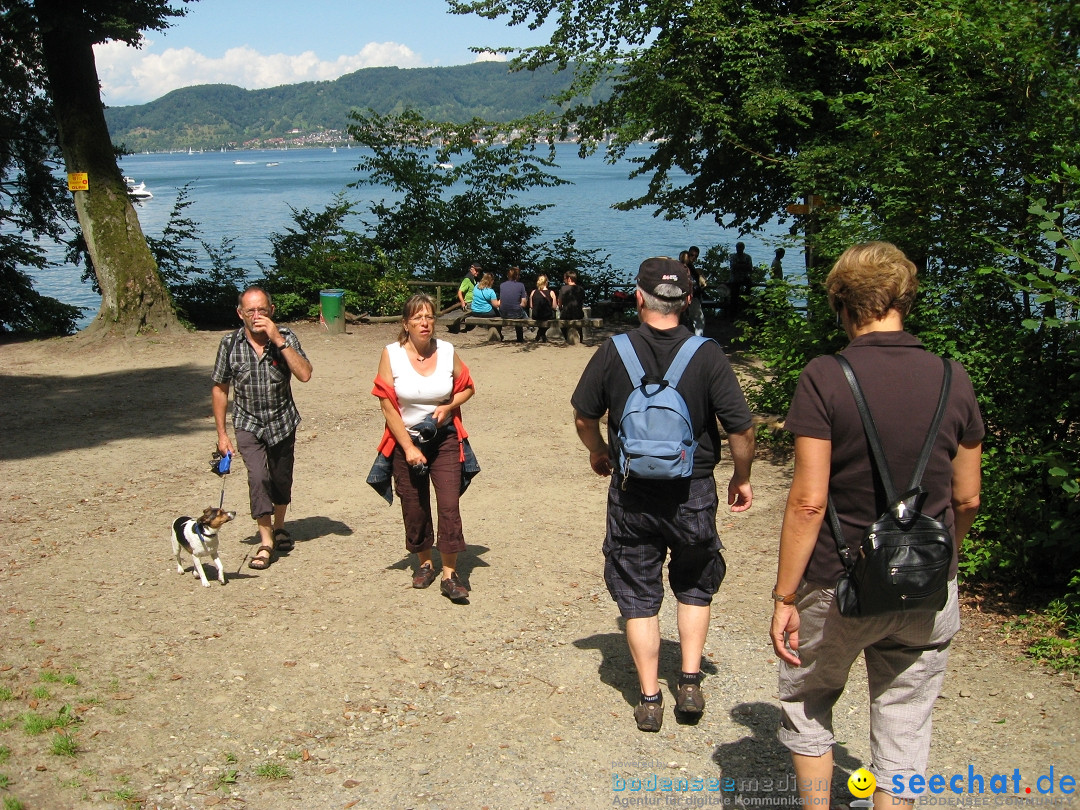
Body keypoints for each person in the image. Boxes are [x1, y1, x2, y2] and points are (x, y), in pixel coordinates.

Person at [768, 242, 983, 809]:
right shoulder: (951, 377)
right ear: (905, 299)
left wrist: (785, 595)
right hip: (925, 586)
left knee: (809, 698)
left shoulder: (826, 376)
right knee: (905, 718)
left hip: (837, 580)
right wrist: (943, 561)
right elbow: (967, 497)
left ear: (840, 302)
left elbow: (809, 502)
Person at [571, 257, 756, 732]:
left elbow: (583, 415)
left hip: (633, 490)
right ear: (688, 299)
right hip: (692, 488)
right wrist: (741, 475)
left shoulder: (614, 351)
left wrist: (598, 453)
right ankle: (689, 682)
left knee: (637, 590)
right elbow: (741, 427)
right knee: (694, 580)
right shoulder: (707, 354)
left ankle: (650, 697)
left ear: (638, 296)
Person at [371, 294, 478, 602]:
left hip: (443, 438)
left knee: (448, 503)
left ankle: (449, 573)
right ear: (406, 323)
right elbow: (387, 405)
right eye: (418, 318)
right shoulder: (391, 354)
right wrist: (408, 447)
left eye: (429, 317)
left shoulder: (447, 351)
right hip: (406, 441)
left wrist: (449, 406)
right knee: (414, 507)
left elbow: (469, 386)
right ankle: (424, 563)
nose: (424, 323)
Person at [212, 286, 313, 571]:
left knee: (281, 479)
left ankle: (280, 527)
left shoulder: (286, 338)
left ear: (272, 310)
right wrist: (222, 434)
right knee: (258, 477)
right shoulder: (230, 344)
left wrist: (277, 338)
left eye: (262, 310)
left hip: (282, 421)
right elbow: (220, 389)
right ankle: (266, 540)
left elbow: (304, 374)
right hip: (247, 423)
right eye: (250, 311)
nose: (256, 316)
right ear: (240, 313)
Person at [499, 266, 529, 343]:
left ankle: (499, 334)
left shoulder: (502, 285)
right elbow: (523, 304)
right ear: (517, 276)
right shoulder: (521, 285)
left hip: (503, 313)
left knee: (517, 309)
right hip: (516, 313)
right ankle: (521, 336)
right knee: (520, 311)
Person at [471, 271, 502, 339]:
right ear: (491, 281)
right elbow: (496, 305)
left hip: (475, 311)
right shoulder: (491, 292)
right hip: (486, 312)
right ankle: (498, 333)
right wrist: (501, 300)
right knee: (499, 314)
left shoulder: (476, 286)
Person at [558, 270, 585, 342]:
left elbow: (559, 303)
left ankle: (567, 338)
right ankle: (580, 337)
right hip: (578, 313)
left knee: (561, 324)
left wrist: (561, 309)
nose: (564, 280)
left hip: (566, 314)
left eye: (564, 278)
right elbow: (582, 302)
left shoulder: (563, 289)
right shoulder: (581, 289)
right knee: (579, 322)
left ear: (569, 278)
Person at [529, 274, 557, 342]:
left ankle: (540, 335)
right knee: (551, 318)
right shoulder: (551, 292)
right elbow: (554, 306)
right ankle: (540, 334)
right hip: (547, 316)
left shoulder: (533, 292)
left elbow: (531, 306)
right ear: (546, 282)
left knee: (542, 320)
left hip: (536, 315)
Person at [687, 245, 707, 337]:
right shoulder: (686, 268)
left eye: (696, 256)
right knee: (699, 320)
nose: (693, 257)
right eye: (691, 255)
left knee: (695, 320)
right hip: (689, 297)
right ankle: (698, 339)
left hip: (693, 297)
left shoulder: (693, 269)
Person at [729, 242, 753, 317]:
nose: (739, 249)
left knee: (748, 292)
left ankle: (745, 311)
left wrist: (739, 265)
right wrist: (744, 266)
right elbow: (733, 266)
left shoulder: (747, 257)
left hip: (744, 279)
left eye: (740, 248)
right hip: (735, 279)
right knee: (734, 297)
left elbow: (750, 268)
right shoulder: (733, 256)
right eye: (738, 248)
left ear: (743, 248)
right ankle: (733, 314)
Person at [455, 263, 481, 332]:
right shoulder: (467, 279)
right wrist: (462, 302)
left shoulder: (475, 279)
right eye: (476, 270)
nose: (478, 272)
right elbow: (460, 292)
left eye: (478, 271)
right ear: (471, 269)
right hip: (469, 303)